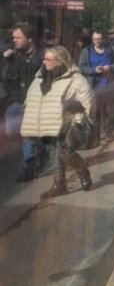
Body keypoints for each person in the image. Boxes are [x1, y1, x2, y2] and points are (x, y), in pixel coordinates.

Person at [20, 46, 95, 198]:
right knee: (53, 155)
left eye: (48, 59)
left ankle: (82, 170)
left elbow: (88, 101)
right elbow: (31, 97)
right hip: (46, 122)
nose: (44, 62)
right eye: (44, 58)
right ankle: (59, 185)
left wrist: (79, 120)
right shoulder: (40, 76)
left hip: (68, 122)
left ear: (59, 62)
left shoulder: (75, 78)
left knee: (66, 155)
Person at [2, 23, 45, 181]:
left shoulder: (42, 55)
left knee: (28, 134)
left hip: (36, 102)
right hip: (18, 101)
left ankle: (29, 169)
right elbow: (6, 78)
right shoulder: (16, 55)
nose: (15, 41)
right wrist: (8, 61)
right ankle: (40, 148)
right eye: (13, 38)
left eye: (18, 37)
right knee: (11, 129)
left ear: (30, 38)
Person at [80, 30, 114, 140]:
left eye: (99, 39)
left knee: (111, 109)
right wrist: (93, 70)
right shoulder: (87, 51)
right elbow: (82, 67)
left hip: (109, 84)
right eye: (95, 39)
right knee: (96, 110)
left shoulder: (111, 49)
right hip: (94, 85)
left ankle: (109, 131)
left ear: (103, 39)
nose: (97, 41)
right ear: (92, 39)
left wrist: (111, 67)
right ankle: (96, 135)